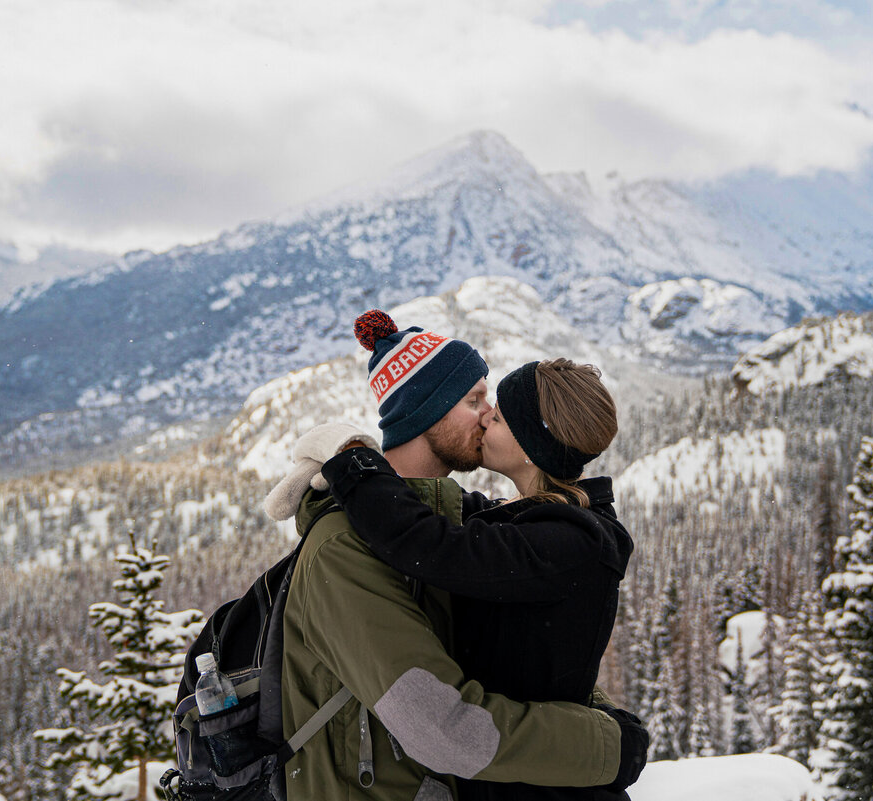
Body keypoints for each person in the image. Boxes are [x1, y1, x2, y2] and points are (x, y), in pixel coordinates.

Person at [264, 313, 647, 801]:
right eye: (475, 401)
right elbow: (446, 727)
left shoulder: (550, 538)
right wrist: (354, 468)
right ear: (428, 412)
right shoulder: (353, 545)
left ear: (533, 446)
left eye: (496, 407)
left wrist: (355, 463)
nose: (488, 414)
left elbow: (435, 548)